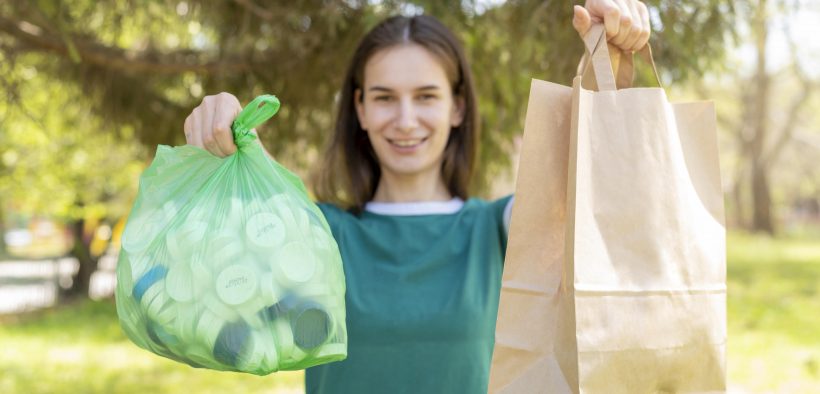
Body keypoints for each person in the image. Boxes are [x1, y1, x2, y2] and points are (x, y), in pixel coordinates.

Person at [182, 1, 650, 392]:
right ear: (360, 109)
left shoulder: (498, 229)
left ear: (458, 107)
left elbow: (588, 179)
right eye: (385, 98)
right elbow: (218, 262)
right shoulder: (320, 232)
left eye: (426, 96)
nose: (405, 120)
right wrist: (221, 137)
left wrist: (610, 72)